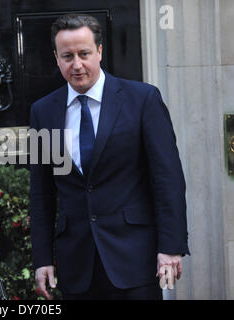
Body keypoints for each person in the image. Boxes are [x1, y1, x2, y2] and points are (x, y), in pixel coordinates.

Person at [29, 14, 189, 300]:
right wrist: (42, 259)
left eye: (84, 54)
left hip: (135, 260)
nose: (76, 65)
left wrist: (170, 248)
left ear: (100, 51)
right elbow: (42, 193)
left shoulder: (142, 100)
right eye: (67, 56)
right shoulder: (43, 111)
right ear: (56, 58)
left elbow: (168, 180)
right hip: (76, 265)